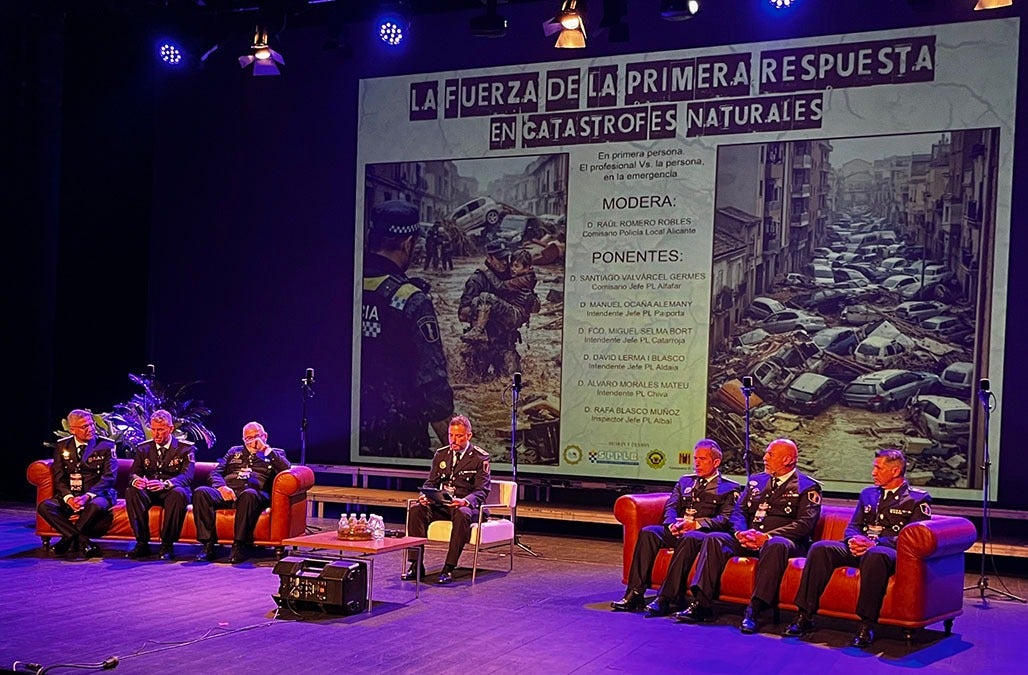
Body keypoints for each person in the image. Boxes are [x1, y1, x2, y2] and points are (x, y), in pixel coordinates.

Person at [784, 449, 931, 647]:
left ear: (895, 471)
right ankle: (805, 615)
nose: (873, 472)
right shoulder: (868, 494)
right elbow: (853, 526)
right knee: (821, 549)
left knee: (875, 555)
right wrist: (854, 540)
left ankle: (867, 625)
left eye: (878, 468)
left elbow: (912, 538)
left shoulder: (917, 499)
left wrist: (875, 543)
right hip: (861, 546)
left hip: (888, 552)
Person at [675, 438, 822, 634]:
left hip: (785, 543)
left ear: (787, 460)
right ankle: (702, 603)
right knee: (715, 538)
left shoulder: (807, 487)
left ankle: (755, 609)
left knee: (776, 544)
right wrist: (739, 532)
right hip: (747, 537)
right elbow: (739, 512)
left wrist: (766, 537)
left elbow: (804, 524)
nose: (765, 457)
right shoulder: (756, 481)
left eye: (770, 454)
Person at [360, 199, 455, 458]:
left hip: (349, 435)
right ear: (407, 243)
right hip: (400, 441)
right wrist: (460, 456)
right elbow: (433, 385)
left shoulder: (344, 287)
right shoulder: (410, 299)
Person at [611, 440, 741, 616]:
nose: (697, 463)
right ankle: (634, 593)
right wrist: (672, 524)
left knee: (690, 537)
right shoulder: (685, 481)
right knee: (649, 532)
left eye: (702, 459)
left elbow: (724, 519)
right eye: (695, 458)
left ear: (716, 462)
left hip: (702, 535)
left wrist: (695, 524)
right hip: (679, 529)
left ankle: (665, 598)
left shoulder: (729, 487)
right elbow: (671, 506)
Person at [403, 415, 491, 585]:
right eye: (451, 435)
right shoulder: (441, 454)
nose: (454, 440)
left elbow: (482, 491)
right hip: (443, 504)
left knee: (461, 513)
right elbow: (431, 482)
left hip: (467, 506)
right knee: (416, 510)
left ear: (469, 436)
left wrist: (464, 501)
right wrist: (425, 496)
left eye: (458, 436)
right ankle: (415, 564)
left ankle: (449, 567)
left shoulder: (480, 458)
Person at [192, 421, 291, 564]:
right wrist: (221, 487)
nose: (253, 441)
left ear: (265, 436)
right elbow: (215, 473)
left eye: (257, 436)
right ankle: (207, 546)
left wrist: (265, 450)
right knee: (201, 492)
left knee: (248, 494)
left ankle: (238, 546)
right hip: (228, 493)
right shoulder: (234, 451)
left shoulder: (276, 454)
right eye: (248, 438)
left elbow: (286, 470)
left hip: (254, 495)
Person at [36, 409, 117, 558]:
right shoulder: (62, 446)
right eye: (85, 426)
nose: (91, 429)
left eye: (91, 424)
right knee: (44, 506)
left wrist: (87, 496)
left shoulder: (106, 445)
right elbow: (59, 477)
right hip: (72, 494)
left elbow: (109, 477)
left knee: (94, 506)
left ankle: (66, 540)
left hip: (98, 494)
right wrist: (68, 498)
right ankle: (83, 542)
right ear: (72, 430)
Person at [125, 409, 195, 561]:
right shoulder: (143, 448)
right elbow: (132, 474)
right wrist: (137, 481)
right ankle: (141, 543)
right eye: (153, 429)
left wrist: (166, 484)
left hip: (171, 489)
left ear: (170, 429)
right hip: (150, 490)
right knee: (132, 491)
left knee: (178, 493)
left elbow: (187, 476)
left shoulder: (185, 448)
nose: (156, 434)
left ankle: (167, 544)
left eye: (160, 430)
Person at [462, 247, 537, 344]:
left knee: (485, 297)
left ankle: (479, 331)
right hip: (502, 323)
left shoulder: (525, 278)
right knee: (478, 301)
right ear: (489, 258)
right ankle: (479, 331)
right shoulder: (477, 279)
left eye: (516, 266)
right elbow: (462, 313)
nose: (511, 268)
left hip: (515, 315)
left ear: (527, 268)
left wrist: (486, 270)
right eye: (512, 265)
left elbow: (500, 286)